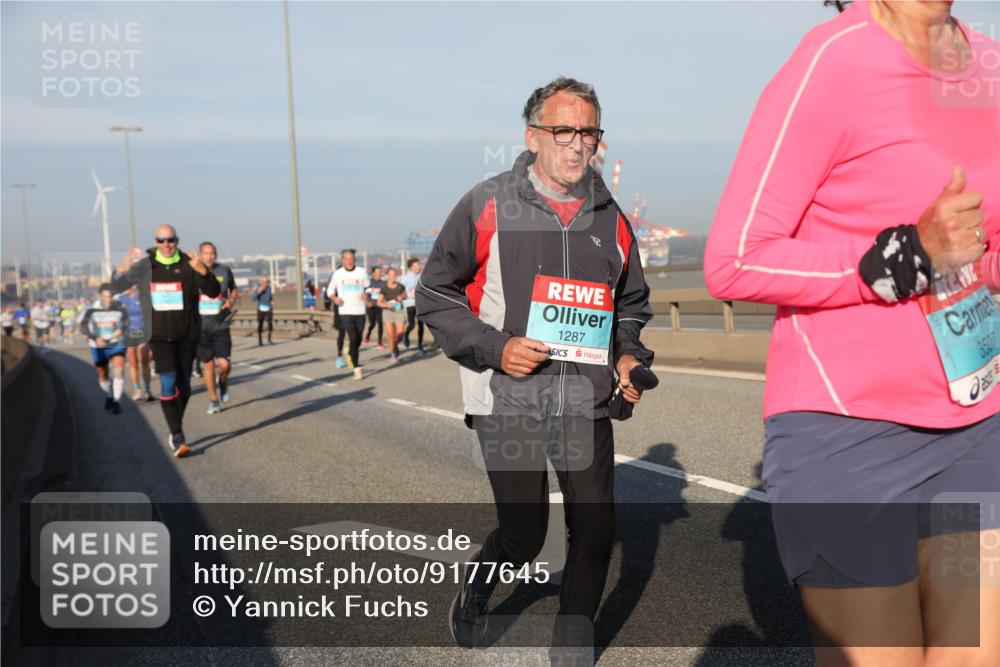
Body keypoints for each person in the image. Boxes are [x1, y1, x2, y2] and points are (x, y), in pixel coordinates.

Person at [704, 2, 1000, 664]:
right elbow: (734, 256)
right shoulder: (834, 61)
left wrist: (969, 254)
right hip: (850, 432)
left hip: (979, 422)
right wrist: (906, 256)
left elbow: (983, 246)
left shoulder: (989, 66)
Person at [417, 77, 653, 655]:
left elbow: (630, 304)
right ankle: (480, 582)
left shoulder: (611, 217)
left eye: (589, 132)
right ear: (533, 136)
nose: (578, 144)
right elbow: (434, 294)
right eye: (564, 130)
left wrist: (627, 355)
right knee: (524, 534)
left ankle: (571, 648)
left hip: (584, 397)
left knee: (597, 531)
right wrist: (496, 348)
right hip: (508, 397)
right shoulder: (488, 203)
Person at [113, 225, 220, 457]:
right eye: (162, 240)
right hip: (159, 336)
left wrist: (203, 271)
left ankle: (175, 426)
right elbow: (118, 287)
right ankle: (178, 435)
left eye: (171, 240)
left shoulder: (189, 263)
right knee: (168, 381)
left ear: (177, 240)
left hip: (188, 334)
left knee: (184, 386)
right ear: (156, 241)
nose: (166, 244)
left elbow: (213, 292)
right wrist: (120, 271)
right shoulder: (145, 267)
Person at [195, 242, 238, 414]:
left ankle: (223, 381)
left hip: (220, 325)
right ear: (200, 255)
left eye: (212, 253)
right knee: (208, 366)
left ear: (216, 255)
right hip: (201, 327)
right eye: (205, 253)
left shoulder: (224, 270)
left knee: (224, 364)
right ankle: (214, 400)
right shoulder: (193, 272)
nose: (209, 256)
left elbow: (233, 290)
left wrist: (230, 300)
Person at [80, 284, 129, 414]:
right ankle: (109, 395)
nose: (109, 299)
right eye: (106, 296)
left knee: (119, 369)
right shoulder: (90, 309)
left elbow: (126, 322)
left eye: (111, 296)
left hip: (116, 343)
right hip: (98, 345)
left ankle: (117, 401)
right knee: (103, 374)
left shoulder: (119, 307)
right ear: (100, 296)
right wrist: (95, 337)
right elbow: (83, 327)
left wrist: (121, 330)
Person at [326, 249, 370, 379]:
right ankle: (356, 368)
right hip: (345, 310)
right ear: (343, 260)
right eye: (347, 259)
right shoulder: (337, 274)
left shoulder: (361, 272)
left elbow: (368, 287)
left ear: (354, 260)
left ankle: (350, 351)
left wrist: (366, 295)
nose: (349, 261)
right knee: (353, 337)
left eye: (351, 259)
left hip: (360, 310)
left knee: (358, 338)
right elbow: (330, 291)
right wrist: (335, 299)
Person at [116, 286, 155, 401]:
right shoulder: (124, 298)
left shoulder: (144, 297)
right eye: (130, 286)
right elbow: (113, 299)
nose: (132, 288)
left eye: (135, 286)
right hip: (129, 333)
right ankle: (136, 390)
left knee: (145, 362)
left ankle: (147, 390)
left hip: (143, 332)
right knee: (133, 363)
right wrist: (124, 292)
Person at [377, 267, 407, 362]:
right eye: (390, 275)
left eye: (394, 274)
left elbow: (405, 296)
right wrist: (386, 305)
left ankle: (395, 345)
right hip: (388, 312)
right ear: (387, 276)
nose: (392, 276)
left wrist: (402, 296)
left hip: (399, 312)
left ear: (396, 276)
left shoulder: (400, 286)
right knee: (391, 335)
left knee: (400, 334)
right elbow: (379, 302)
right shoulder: (384, 288)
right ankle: (393, 354)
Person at [401, 258, 425, 352]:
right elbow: (401, 290)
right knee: (412, 324)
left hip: (420, 304)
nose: (419, 267)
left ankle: (420, 344)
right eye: (417, 265)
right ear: (411, 267)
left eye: (419, 265)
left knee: (421, 324)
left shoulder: (421, 276)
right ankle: (406, 335)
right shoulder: (405, 278)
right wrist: (410, 295)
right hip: (409, 303)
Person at [364, 266, 386, 349]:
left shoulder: (383, 284)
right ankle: (368, 335)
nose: (379, 274)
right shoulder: (369, 283)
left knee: (380, 323)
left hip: (379, 306)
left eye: (380, 272)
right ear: (373, 273)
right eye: (377, 272)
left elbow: (386, 294)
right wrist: (367, 302)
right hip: (370, 306)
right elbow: (364, 293)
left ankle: (380, 342)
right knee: (372, 324)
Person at [253, 277, 274, 346]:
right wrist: (259, 292)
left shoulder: (269, 288)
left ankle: (269, 339)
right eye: (264, 282)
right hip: (261, 309)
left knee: (270, 324)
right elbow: (253, 299)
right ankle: (260, 341)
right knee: (260, 325)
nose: (266, 283)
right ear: (261, 283)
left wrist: (272, 300)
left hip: (269, 308)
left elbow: (270, 296)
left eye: (267, 282)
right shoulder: (258, 289)